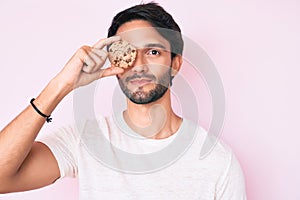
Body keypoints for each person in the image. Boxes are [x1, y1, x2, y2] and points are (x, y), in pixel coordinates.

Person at [0, 2, 246, 199]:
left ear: (175, 64)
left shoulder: (218, 162)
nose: (138, 66)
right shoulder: (85, 140)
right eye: (128, 53)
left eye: (153, 52)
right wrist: (61, 85)